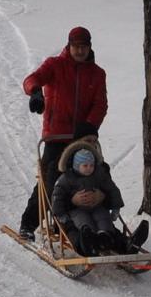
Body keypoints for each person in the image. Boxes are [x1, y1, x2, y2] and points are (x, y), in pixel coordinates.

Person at [19, 27, 107, 240]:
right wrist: (36, 92)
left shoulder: (97, 74)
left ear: (89, 48)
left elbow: (100, 105)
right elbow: (31, 79)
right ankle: (28, 225)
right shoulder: (55, 65)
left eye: (84, 47)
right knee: (51, 182)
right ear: (68, 46)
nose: (80, 51)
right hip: (55, 137)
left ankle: (92, 227)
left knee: (92, 178)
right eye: (76, 47)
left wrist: (89, 125)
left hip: (82, 139)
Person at [48, 138, 149, 257]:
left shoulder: (99, 173)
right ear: (76, 165)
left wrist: (114, 206)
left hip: (97, 207)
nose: (89, 168)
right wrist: (62, 213)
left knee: (104, 220)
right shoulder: (66, 177)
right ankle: (87, 243)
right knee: (84, 224)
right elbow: (57, 195)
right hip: (76, 211)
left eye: (91, 165)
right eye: (85, 165)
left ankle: (126, 243)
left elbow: (112, 189)